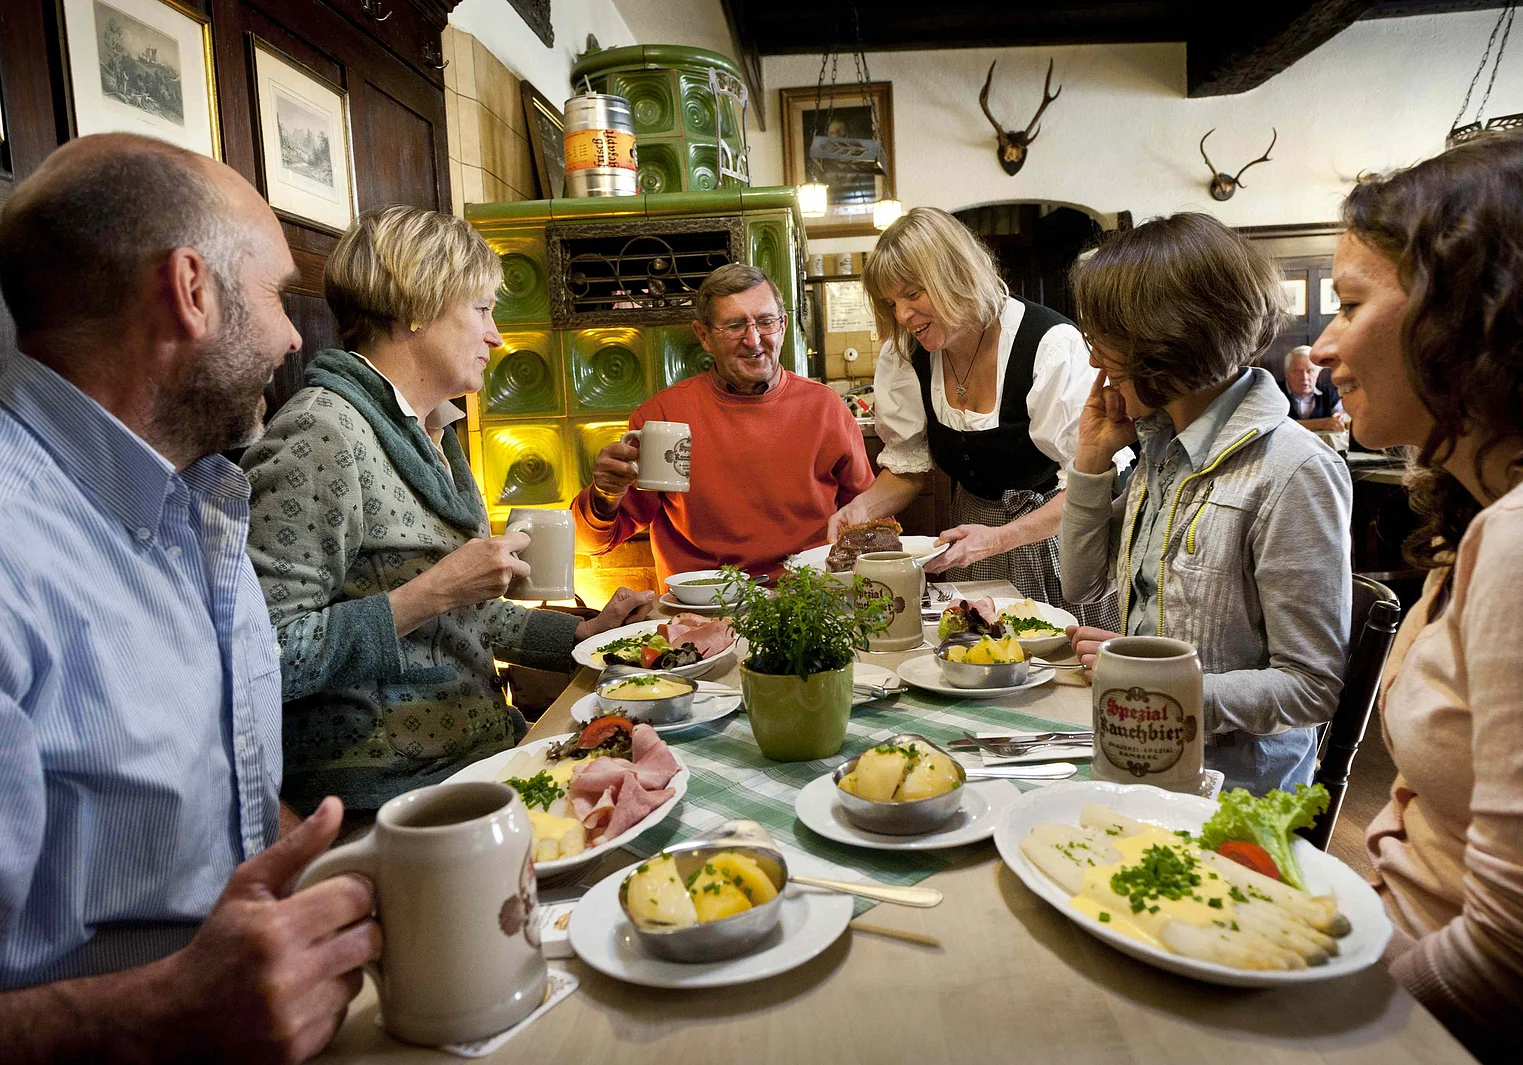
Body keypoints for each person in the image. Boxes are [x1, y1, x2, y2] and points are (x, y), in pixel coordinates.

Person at [0, 134, 377, 1061]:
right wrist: (163, 1009)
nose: (295, 337)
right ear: (192, 289)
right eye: (278, 295)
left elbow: (224, 814)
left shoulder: (195, 499)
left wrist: (407, 865)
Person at [1311, 131, 1523, 1062]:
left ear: (1471, 313)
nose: (1322, 346)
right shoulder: (1500, 499)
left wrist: (1297, 1015)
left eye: (1351, 304)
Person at [243, 205, 655, 818]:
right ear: (418, 305)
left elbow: (465, 618)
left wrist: (581, 635)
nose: (496, 335)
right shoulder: (320, 437)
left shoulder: (434, 429)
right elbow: (264, 655)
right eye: (483, 309)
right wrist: (433, 591)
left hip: (475, 754)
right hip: (392, 800)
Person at [1058, 212, 1352, 796]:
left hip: (1230, 793)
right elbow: (1080, 585)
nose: (1095, 362)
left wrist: (1154, 685)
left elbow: (1312, 686)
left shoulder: (1293, 471)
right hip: (1136, 763)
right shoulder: (1160, 450)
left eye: (1106, 340)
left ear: (1168, 343)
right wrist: (1091, 460)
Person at [830, 207, 1098, 606]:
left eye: (912, 293)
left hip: (1056, 546)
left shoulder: (1050, 346)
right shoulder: (906, 354)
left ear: (955, 275)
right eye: (890, 303)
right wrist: (862, 507)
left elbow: (1089, 486)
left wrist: (1001, 538)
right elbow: (908, 468)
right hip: (971, 545)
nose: (902, 316)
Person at [573, 263, 873, 577]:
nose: (754, 340)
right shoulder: (662, 418)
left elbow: (868, 516)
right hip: (704, 608)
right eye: (734, 326)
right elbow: (588, 543)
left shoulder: (825, 407)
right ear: (703, 336)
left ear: (783, 326)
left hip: (808, 599)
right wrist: (604, 493)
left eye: (766, 322)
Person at [1279, 344, 1348, 431]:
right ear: (1287, 373)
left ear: (1318, 373)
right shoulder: (1274, 393)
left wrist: (1338, 422)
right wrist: (1319, 424)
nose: (1304, 377)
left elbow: (1344, 420)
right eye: (1297, 371)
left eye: (1310, 371)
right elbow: (1273, 425)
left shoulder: (1330, 394)